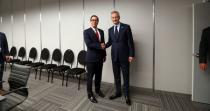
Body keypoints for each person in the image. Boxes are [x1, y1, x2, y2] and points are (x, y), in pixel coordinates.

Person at [103, 11, 135, 105]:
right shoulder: (110, 29)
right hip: (114, 57)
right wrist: (104, 46)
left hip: (125, 57)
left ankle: (126, 95)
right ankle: (118, 92)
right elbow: (110, 42)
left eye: (116, 17)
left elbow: (130, 42)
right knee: (116, 77)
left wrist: (131, 54)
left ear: (119, 17)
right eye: (113, 17)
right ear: (111, 19)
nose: (114, 19)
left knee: (125, 77)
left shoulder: (126, 27)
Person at [84, 15, 106, 103]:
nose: (94, 21)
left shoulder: (101, 31)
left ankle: (97, 90)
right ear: (90, 21)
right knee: (90, 77)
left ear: (98, 21)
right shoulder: (86, 32)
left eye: (96, 20)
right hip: (91, 59)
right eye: (92, 20)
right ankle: (90, 94)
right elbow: (89, 44)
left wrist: (104, 55)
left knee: (98, 76)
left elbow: (103, 44)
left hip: (100, 58)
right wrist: (99, 46)